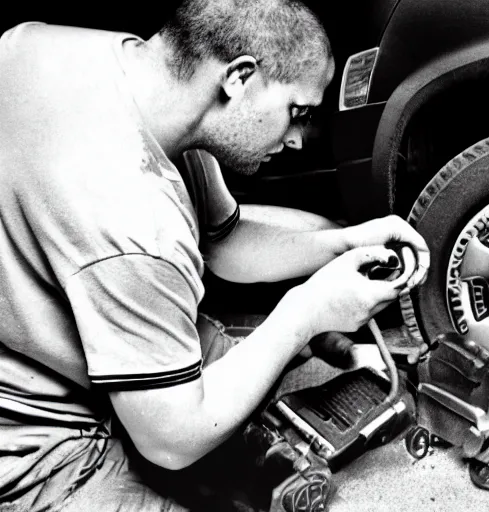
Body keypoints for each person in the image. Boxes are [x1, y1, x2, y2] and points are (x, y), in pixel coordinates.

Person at [0, 0, 429, 510]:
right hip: (32, 433)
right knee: (195, 429)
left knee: (240, 377)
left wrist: (342, 242)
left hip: (68, 312)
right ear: (239, 78)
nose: (296, 140)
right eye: (298, 112)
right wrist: (304, 314)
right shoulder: (133, 212)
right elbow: (171, 441)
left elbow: (225, 244)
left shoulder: (49, 47)